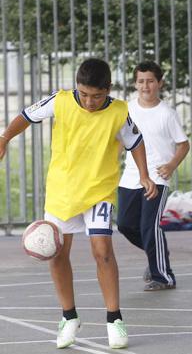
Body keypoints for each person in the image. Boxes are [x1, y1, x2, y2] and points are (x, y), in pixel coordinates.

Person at [0, 58, 157, 349]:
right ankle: (69, 316)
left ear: (107, 90)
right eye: (83, 94)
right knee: (58, 254)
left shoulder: (119, 111)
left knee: (103, 251)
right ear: (77, 87)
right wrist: (5, 137)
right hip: (62, 191)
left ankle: (114, 319)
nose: (89, 101)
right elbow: (25, 115)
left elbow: (136, 143)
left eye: (96, 96)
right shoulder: (59, 101)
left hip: (98, 191)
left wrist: (145, 175)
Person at [117, 61, 189, 291]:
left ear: (159, 83)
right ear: (135, 84)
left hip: (157, 177)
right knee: (125, 225)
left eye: (150, 81)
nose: (145, 86)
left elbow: (183, 144)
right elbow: (120, 141)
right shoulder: (126, 109)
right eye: (140, 81)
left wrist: (171, 165)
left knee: (149, 227)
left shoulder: (167, 114)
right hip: (130, 177)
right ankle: (156, 255)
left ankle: (163, 276)